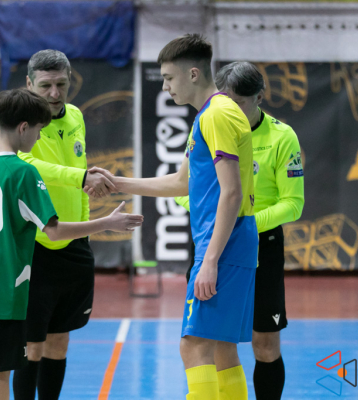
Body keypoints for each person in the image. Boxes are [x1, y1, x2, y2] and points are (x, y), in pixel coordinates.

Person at [0, 88, 143, 400]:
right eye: (37, 131)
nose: (37, 139)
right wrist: (106, 223)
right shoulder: (23, 172)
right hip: (1, 290)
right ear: (23, 128)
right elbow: (54, 232)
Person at [87, 34, 258, 400]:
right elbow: (182, 182)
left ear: (193, 74)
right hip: (233, 239)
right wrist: (117, 182)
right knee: (222, 348)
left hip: (223, 243)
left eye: (168, 78)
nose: (165, 87)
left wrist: (209, 260)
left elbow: (231, 192)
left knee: (193, 345)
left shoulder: (217, 114)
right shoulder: (209, 116)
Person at [177, 62, 305, 400]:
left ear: (259, 98)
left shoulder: (282, 136)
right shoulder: (210, 122)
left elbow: (293, 204)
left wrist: (242, 223)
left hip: (260, 242)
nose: (231, 110)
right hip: (215, 241)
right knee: (217, 341)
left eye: (240, 103)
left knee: (265, 343)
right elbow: (184, 187)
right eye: (225, 101)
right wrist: (214, 218)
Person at [13, 49, 116, 400]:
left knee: (59, 341)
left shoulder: (75, 116)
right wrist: (80, 177)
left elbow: (80, 168)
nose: (55, 93)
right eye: (45, 85)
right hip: (36, 247)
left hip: (73, 244)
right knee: (32, 345)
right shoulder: (21, 123)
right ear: (29, 84)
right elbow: (27, 165)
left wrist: (83, 227)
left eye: (61, 84)